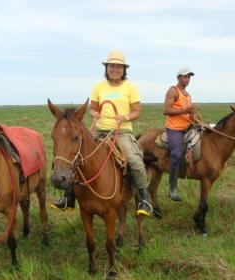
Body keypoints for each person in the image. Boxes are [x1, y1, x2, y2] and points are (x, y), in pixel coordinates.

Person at [52, 50, 152, 216]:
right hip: (99, 130)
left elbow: (137, 111)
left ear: (124, 69)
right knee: (77, 155)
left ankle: (144, 198)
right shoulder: (98, 87)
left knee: (135, 160)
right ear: (106, 68)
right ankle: (68, 197)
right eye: (112, 66)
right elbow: (93, 108)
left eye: (119, 67)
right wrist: (94, 114)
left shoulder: (130, 87)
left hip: (121, 131)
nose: (115, 69)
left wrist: (125, 117)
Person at [163, 68, 196, 201]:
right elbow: (166, 110)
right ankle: (172, 187)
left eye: (189, 77)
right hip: (175, 128)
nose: (187, 79)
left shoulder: (187, 94)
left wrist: (193, 115)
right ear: (178, 77)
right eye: (184, 77)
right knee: (176, 154)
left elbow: (187, 112)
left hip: (188, 126)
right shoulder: (173, 90)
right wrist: (186, 110)